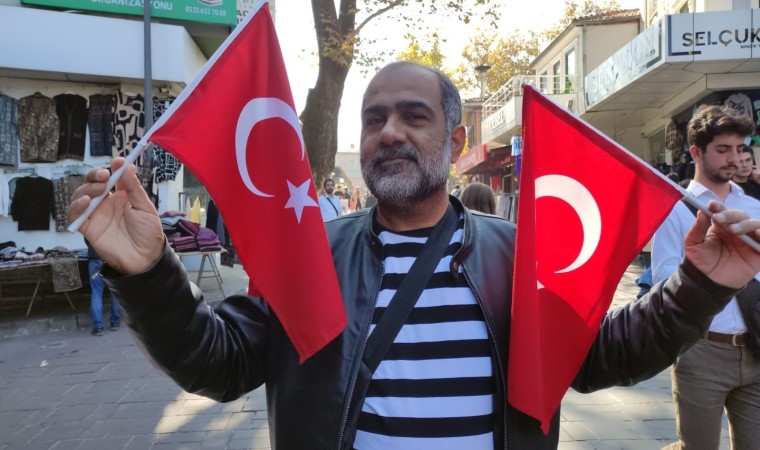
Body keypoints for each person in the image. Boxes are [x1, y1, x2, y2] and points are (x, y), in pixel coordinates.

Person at [68, 62, 760, 449]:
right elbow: (218, 364)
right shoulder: (314, 255)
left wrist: (699, 285)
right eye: (374, 119)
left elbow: (598, 358)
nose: (389, 132)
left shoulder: (515, 255)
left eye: (413, 116)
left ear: (456, 142)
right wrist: (148, 273)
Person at [652, 105, 760, 450]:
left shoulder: (754, 206)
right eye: (723, 149)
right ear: (696, 152)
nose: (734, 158)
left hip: (755, 346)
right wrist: (708, 270)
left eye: (739, 148)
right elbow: (663, 285)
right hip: (701, 350)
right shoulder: (676, 209)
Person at [85, 238, 119, 336]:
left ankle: (98, 327)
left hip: (95, 259)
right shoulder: (113, 227)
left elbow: (87, 239)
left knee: (96, 293)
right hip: (111, 259)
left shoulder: (91, 227)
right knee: (114, 291)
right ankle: (115, 323)